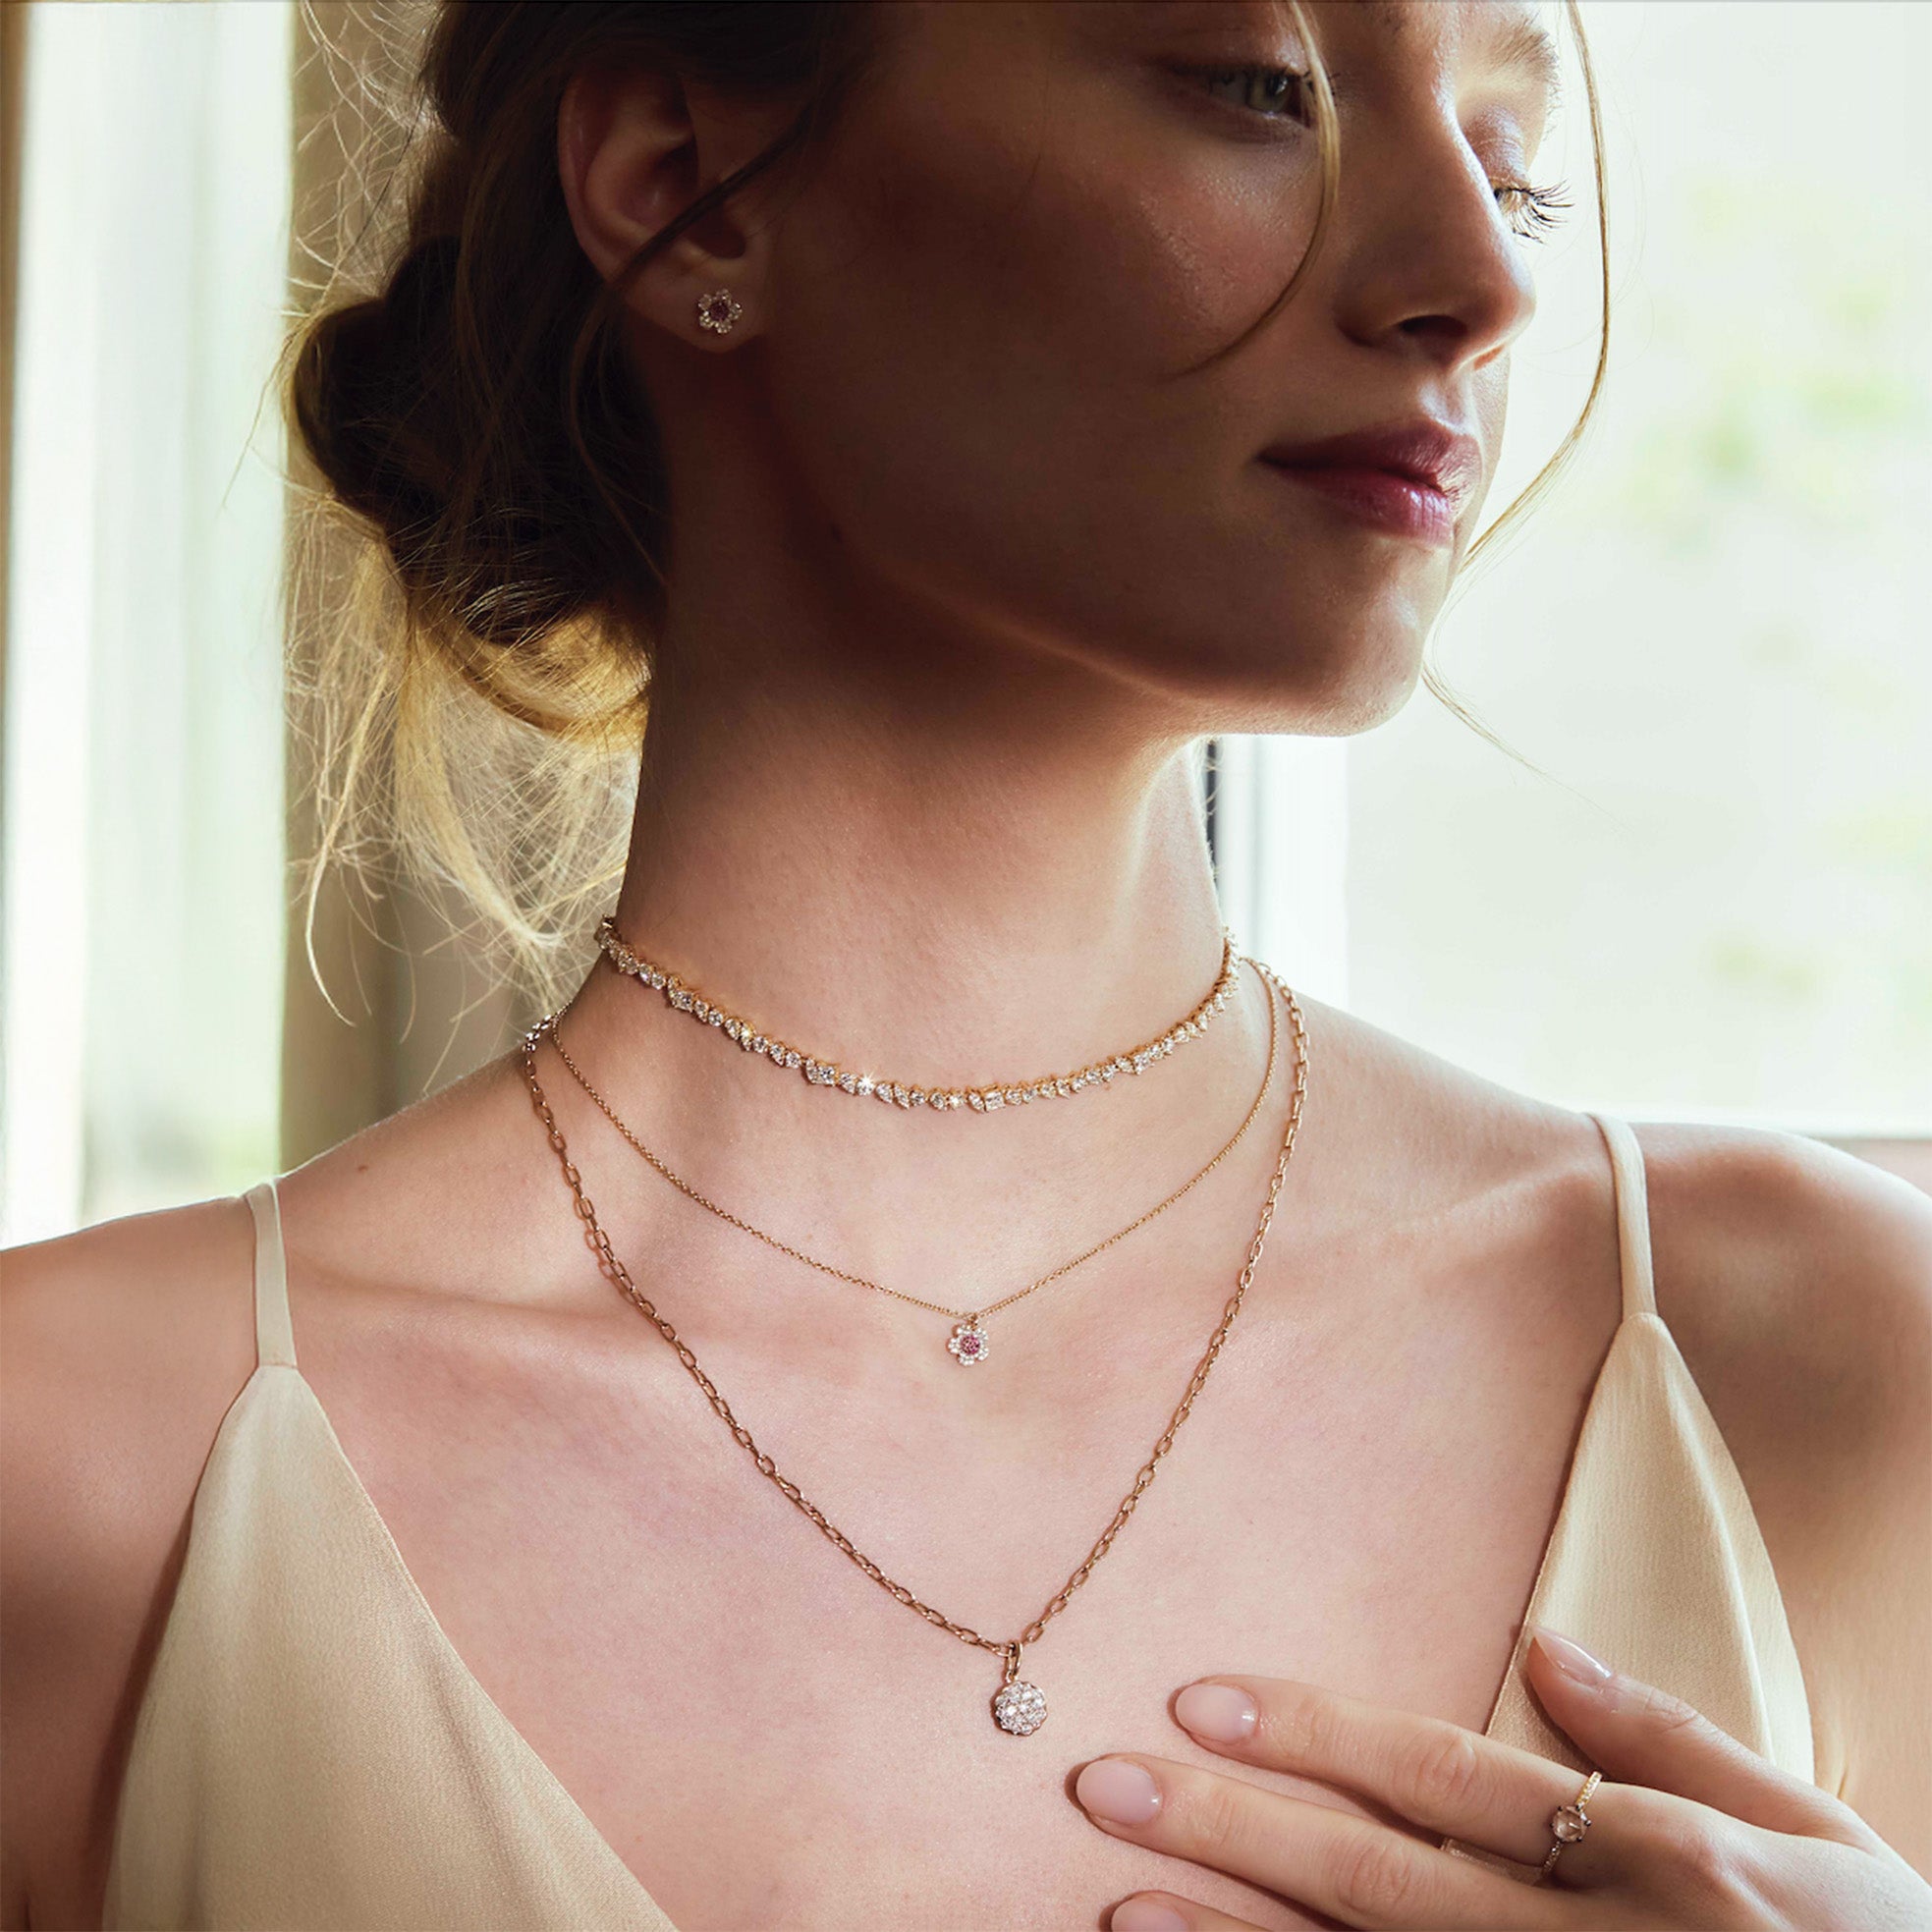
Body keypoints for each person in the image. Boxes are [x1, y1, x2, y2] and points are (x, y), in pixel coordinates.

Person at [4, 3, 1928, 1928]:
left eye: (1518, 172)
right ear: (686, 190)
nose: (1483, 282)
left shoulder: (1826, 1378)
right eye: (1261, 89)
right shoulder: (77, 1478)